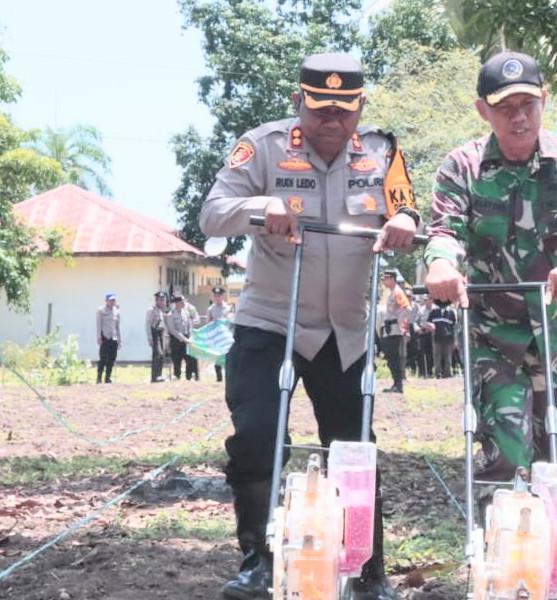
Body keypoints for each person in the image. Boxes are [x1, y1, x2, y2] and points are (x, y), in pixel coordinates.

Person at [199, 53, 419, 600]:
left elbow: (409, 210)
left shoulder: (383, 152)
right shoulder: (264, 146)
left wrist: (404, 222)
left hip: (345, 331)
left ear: (360, 108)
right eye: (320, 109)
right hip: (271, 321)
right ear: (299, 101)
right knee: (255, 439)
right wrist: (261, 203)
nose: (331, 122)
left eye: (343, 111)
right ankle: (258, 558)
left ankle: (366, 568)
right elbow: (212, 213)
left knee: (354, 450)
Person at [423, 51, 557, 479]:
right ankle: (501, 539)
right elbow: (445, 228)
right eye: (504, 107)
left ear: (543, 101)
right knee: (506, 448)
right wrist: (441, 263)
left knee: (556, 454)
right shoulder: (462, 166)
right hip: (492, 330)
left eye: (527, 105)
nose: (519, 118)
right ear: (483, 110)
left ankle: (554, 542)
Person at [379, 270, 410, 393]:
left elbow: (407, 308)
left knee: (394, 358)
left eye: (385, 278)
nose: (384, 281)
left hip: (395, 330)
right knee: (391, 358)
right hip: (390, 330)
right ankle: (396, 383)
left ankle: (398, 385)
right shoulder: (392, 293)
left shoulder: (397, 292)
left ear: (392, 279)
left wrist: (401, 324)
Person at [167, 293, 200, 381]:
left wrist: (189, 337)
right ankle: (177, 376)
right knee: (177, 359)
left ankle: (188, 377)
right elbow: (172, 330)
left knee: (189, 359)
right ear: (177, 303)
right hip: (177, 340)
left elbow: (190, 325)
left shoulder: (186, 312)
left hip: (187, 338)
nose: (183, 303)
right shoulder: (171, 315)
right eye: (181, 302)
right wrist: (183, 338)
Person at [206, 286, 234, 382]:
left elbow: (232, 321)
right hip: (217, 337)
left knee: (228, 358)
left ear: (223, 296)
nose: (217, 297)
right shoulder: (210, 309)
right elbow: (208, 324)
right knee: (218, 358)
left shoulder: (229, 308)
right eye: (215, 296)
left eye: (219, 295)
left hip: (227, 336)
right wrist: (213, 321)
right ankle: (219, 378)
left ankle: (229, 378)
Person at [427, 299, 458, 379]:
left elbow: (454, 327)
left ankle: (447, 374)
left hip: (448, 338)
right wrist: (430, 325)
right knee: (437, 356)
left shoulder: (451, 312)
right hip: (437, 337)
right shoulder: (433, 311)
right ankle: (437, 374)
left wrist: (455, 340)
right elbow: (428, 322)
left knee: (448, 357)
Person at [95, 293, 121, 384]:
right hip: (104, 337)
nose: (112, 302)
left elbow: (118, 326)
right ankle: (99, 378)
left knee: (112, 358)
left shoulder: (116, 311)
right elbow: (98, 324)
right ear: (106, 301)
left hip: (113, 338)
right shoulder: (101, 310)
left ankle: (108, 378)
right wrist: (99, 337)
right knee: (103, 358)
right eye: (111, 300)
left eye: (114, 300)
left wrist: (119, 339)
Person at [147, 291, 170, 382]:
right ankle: (155, 376)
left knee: (161, 355)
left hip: (161, 334)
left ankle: (158, 376)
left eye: (163, 300)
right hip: (154, 334)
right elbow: (148, 324)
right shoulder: (151, 310)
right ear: (156, 301)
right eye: (160, 300)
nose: (162, 302)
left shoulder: (161, 311)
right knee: (158, 354)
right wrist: (149, 337)